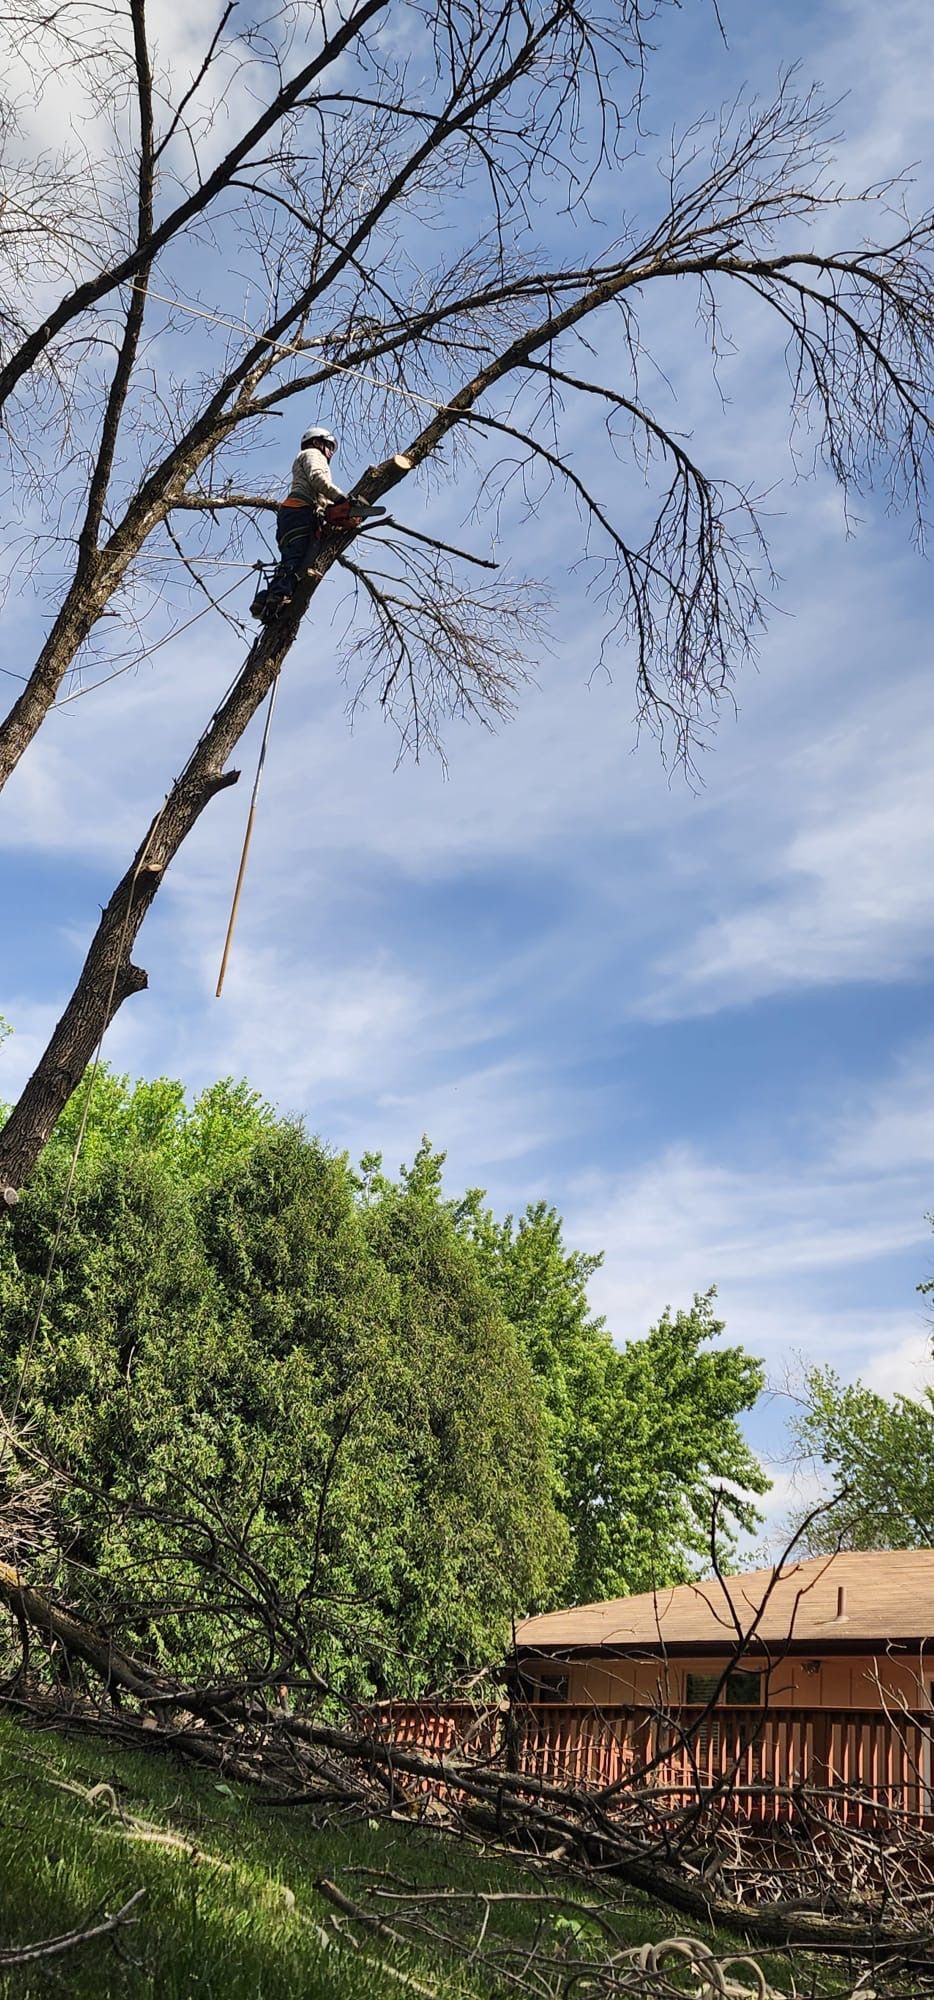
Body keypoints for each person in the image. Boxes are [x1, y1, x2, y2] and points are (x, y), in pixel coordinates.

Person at [252, 424, 347, 621]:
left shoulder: (305, 458)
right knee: (295, 559)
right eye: (329, 446)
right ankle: (279, 595)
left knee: (293, 560)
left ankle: (267, 599)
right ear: (317, 442)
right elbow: (317, 478)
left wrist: (332, 508)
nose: (330, 453)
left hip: (292, 514)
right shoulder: (313, 454)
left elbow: (320, 496)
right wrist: (341, 499)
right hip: (299, 511)